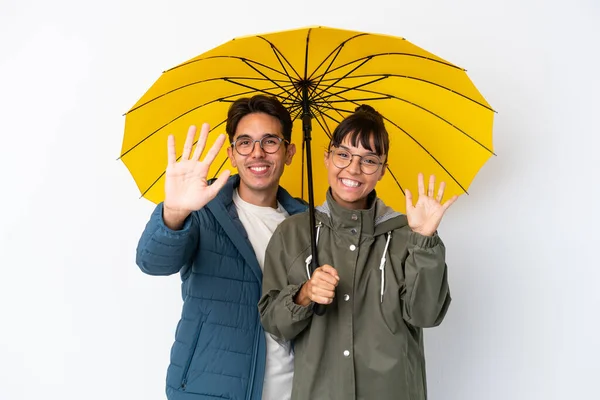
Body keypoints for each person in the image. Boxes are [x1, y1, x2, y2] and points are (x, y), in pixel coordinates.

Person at [258, 104, 458, 400]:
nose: (353, 169)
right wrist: (304, 294)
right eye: (343, 155)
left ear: (382, 170)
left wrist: (424, 240)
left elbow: (426, 315)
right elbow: (274, 324)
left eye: (368, 160)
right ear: (327, 158)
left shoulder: (406, 235)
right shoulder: (293, 233)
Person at [135, 94, 307, 400]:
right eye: (245, 142)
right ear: (231, 153)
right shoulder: (203, 210)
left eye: (270, 141)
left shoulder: (307, 224)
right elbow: (152, 262)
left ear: (289, 151)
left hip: (291, 391)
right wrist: (175, 212)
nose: (257, 153)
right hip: (210, 389)